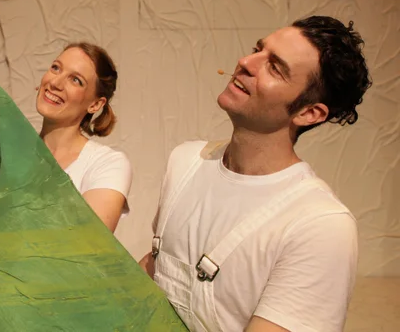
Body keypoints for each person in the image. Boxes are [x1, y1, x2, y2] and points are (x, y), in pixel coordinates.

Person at [139, 16, 372, 332]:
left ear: (309, 113)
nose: (245, 62)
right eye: (257, 50)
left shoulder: (320, 224)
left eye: (275, 67)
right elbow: (156, 270)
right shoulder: (186, 161)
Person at [36, 42, 132, 232]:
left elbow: (88, 241)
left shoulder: (107, 163)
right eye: (56, 68)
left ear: (95, 104)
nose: (55, 83)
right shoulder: (10, 151)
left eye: (75, 80)